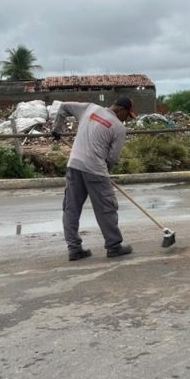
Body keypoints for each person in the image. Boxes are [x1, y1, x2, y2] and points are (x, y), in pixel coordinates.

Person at [52, 96, 136, 261]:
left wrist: (57, 128)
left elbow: (62, 107)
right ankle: (113, 246)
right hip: (95, 170)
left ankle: (74, 249)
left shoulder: (89, 108)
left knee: (71, 208)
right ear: (121, 110)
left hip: (74, 164)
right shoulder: (118, 128)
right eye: (127, 116)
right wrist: (105, 172)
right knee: (106, 208)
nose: (127, 120)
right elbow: (113, 158)